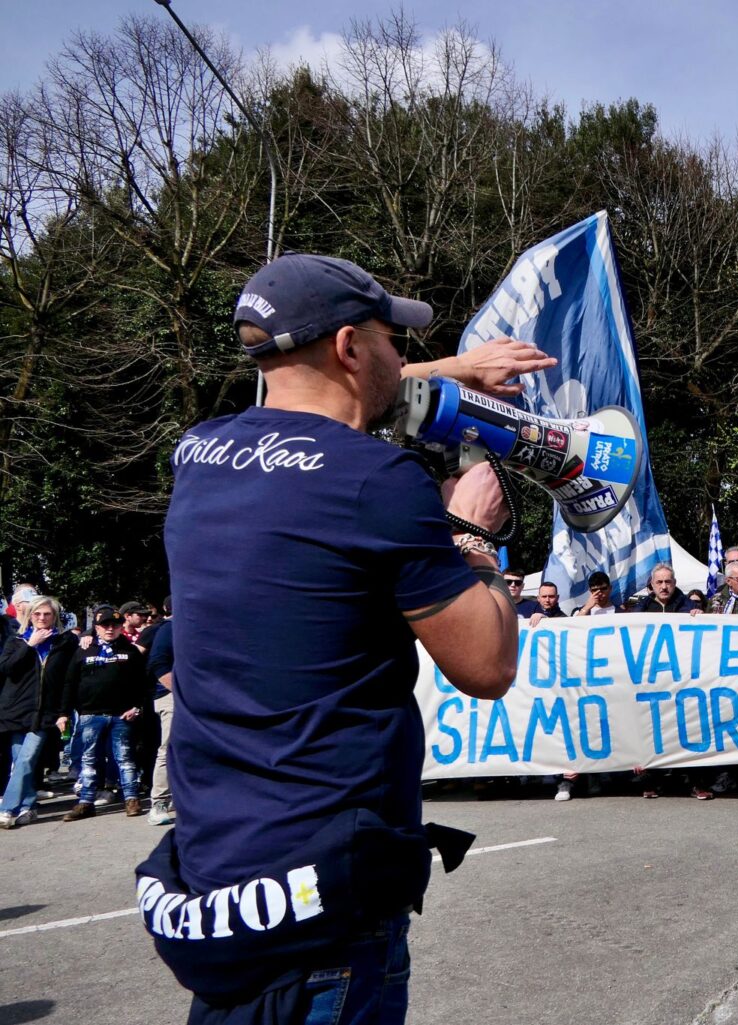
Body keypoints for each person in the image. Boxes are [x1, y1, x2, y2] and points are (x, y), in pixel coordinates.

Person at [156, 253, 540, 1021]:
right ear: (349, 347)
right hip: (326, 888)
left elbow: (300, 387)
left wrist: (456, 367)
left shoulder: (199, 454)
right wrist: (470, 529)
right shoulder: (377, 482)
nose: (403, 355)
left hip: (219, 879)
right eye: (390, 338)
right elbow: (488, 665)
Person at [59, 606, 148, 819]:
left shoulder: (130, 650)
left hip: (121, 715)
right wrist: (63, 713)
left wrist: (137, 707)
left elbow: (142, 684)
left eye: (115, 625)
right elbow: (70, 682)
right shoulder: (84, 649)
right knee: (88, 759)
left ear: (120, 627)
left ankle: (131, 799)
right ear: (97, 628)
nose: (110, 629)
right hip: (91, 714)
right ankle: (86, 802)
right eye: (105, 625)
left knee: (125, 758)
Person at [0, 596, 67, 828]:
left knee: (27, 759)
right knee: (20, 761)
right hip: (16, 710)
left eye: (47, 614)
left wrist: (63, 712)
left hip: (45, 713)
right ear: (30, 616)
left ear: (54, 617)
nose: (41, 618)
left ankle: (6, 809)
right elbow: (6, 668)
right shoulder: (16, 641)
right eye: (37, 614)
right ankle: (28, 807)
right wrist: (30, 646)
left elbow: (67, 679)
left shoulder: (62, 642)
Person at [145, 610, 176, 826]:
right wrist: (182, 692)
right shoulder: (169, 629)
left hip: (207, 696)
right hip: (173, 697)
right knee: (169, 748)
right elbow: (158, 663)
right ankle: (159, 803)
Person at [627, 563, 699, 614]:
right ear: (652, 584)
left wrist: (700, 616)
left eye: (668, 582)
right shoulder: (641, 607)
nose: (664, 587)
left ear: (674, 583)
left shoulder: (690, 606)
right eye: (659, 582)